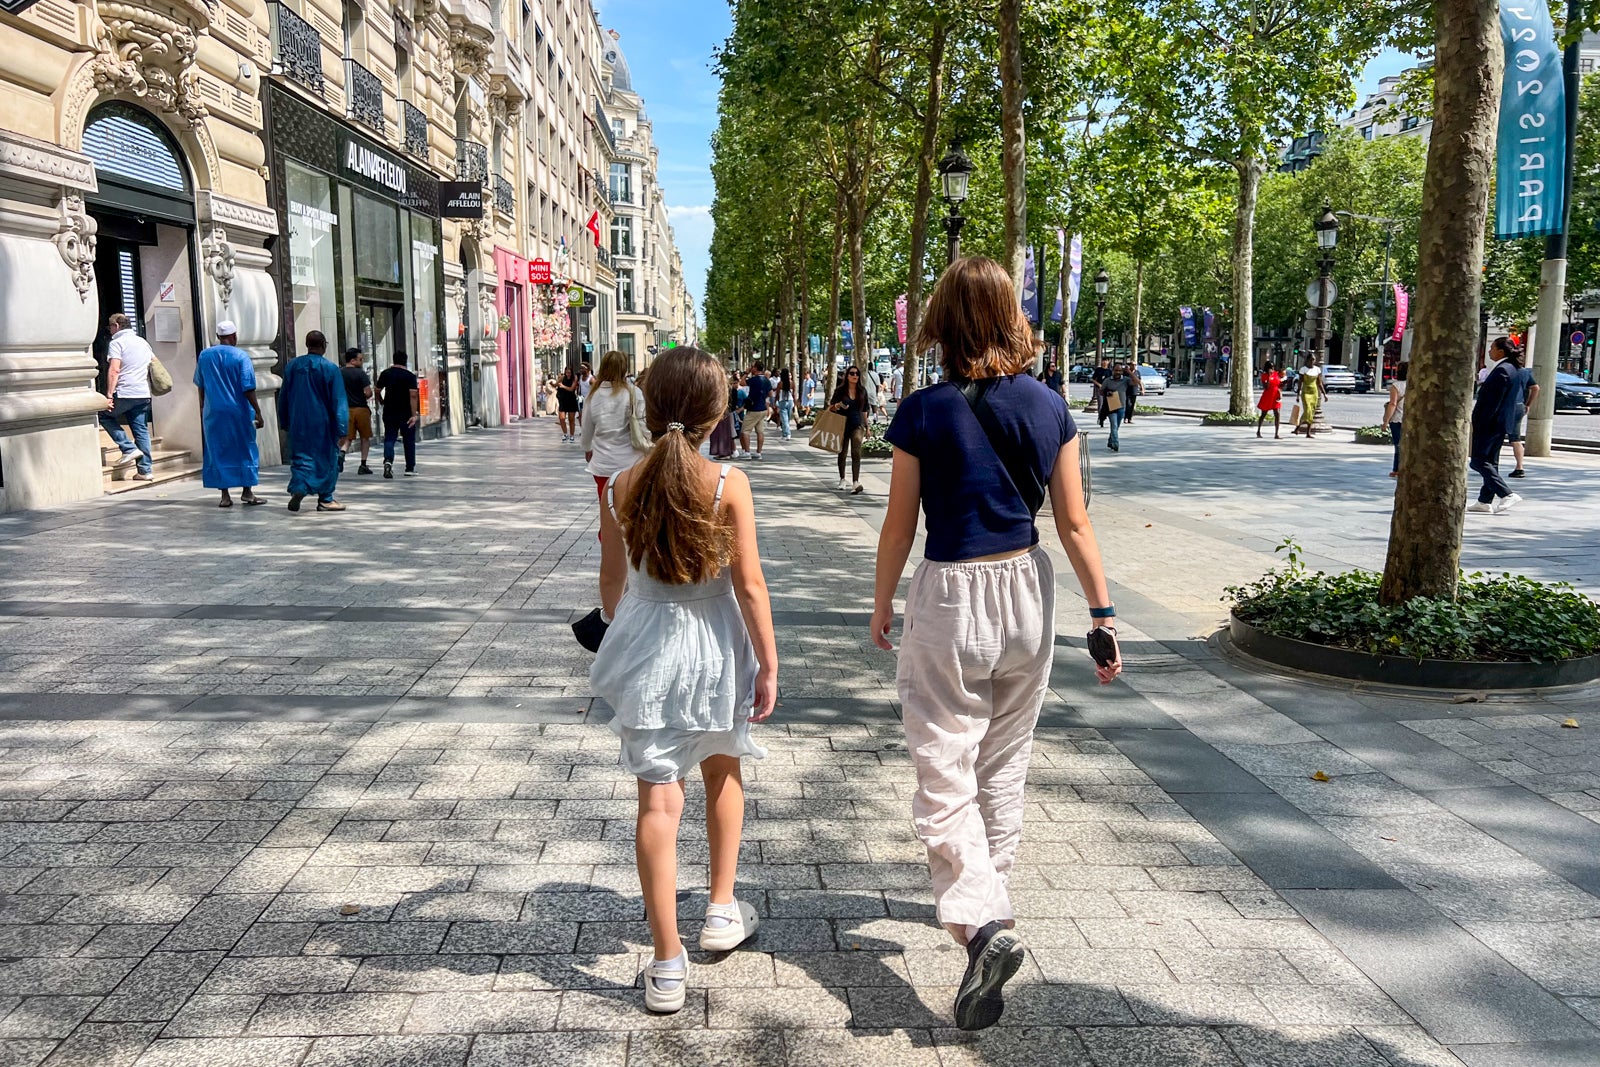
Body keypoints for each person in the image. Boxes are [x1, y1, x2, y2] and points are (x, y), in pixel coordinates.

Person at [870, 256, 1121, 1033]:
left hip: (949, 593)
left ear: (941, 321)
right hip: (1027, 590)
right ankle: (992, 905)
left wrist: (881, 602)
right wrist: (1104, 614)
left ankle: (981, 926)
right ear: (1012, 319)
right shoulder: (1050, 407)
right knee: (1003, 761)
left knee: (944, 761)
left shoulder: (921, 410)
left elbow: (900, 523)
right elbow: (1076, 524)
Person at [589, 347, 778, 1015]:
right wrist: (770, 660)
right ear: (717, 412)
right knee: (724, 771)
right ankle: (721, 910)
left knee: (657, 804)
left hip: (649, 643)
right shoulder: (728, 483)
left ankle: (667, 964)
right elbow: (750, 586)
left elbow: (612, 585)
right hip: (716, 644)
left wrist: (624, 625)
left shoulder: (620, 483)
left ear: (649, 402)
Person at [194, 320, 265, 507]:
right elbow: (248, 387)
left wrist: (202, 405)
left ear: (218, 337)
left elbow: (200, 384)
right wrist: (258, 412)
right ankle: (247, 492)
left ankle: (225, 496)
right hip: (238, 412)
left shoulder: (205, 356)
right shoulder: (241, 357)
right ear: (234, 336)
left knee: (218, 449)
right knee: (245, 448)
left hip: (214, 412)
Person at [277, 330, 347, 512]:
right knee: (328, 459)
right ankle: (326, 498)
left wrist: (284, 420)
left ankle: (299, 488)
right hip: (323, 424)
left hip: (298, 422)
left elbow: (283, 396)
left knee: (300, 458)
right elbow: (338, 400)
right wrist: (342, 427)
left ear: (307, 345)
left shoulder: (292, 366)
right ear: (323, 345)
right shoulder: (330, 369)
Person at [583, 349, 651, 515]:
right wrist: (650, 444)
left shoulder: (593, 396)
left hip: (603, 464)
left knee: (607, 511)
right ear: (624, 369)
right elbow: (643, 425)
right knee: (630, 512)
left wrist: (587, 448)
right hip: (630, 462)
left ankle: (606, 539)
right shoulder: (633, 393)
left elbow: (586, 429)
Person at [1469, 337, 1524, 514]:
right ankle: (1484, 500)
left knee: (1478, 461)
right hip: (1500, 423)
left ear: (1501, 351)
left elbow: (1492, 402)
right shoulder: (1512, 369)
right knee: (1491, 462)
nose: (1489, 351)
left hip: (1490, 423)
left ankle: (1506, 494)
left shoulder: (1502, 370)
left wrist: (1479, 421)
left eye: (1492, 348)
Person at [99, 313, 156, 480]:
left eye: (110, 327)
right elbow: (154, 364)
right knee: (141, 430)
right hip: (143, 393)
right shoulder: (143, 342)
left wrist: (109, 395)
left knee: (104, 415)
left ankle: (128, 448)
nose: (109, 330)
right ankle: (145, 471)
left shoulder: (117, 343)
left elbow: (114, 369)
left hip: (125, 392)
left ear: (116, 326)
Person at [376, 351, 421, 479]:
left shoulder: (386, 373)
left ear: (394, 360)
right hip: (405, 412)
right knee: (408, 440)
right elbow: (413, 395)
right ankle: (410, 467)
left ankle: (388, 461)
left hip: (389, 411)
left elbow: (377, 390)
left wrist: (381, 400)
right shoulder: (410, 376)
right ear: (405, 361)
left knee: (390, 437)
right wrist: (414, 414)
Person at [828, 365, 871, 493]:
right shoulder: (840, 391)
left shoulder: (862, 391)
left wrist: (867, 426)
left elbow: (864, 410)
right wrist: (837, 405)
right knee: (842, 452)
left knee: (856, 452)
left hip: (857, 424)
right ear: (847, 376)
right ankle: (842, 479)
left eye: (857, 374)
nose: (855, 376)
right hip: (842, 424)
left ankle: (855, 482)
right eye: (852, 373)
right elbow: (831, 407)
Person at [338, 348, 374, 476]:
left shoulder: (339, 373)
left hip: (345, 409)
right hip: (361, 409)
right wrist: (364, 396)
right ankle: (363, 464)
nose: (361, 361)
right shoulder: (360, 374)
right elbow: (368, 392)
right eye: (360, 359)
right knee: (365, 437)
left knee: (347, 437)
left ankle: (342, 453)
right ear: (353, 360)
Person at [1509, 358, 1540, 479]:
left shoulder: (1505, 370)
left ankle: (1489, 463)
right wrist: (1528, 404)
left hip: (1507, 407)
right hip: (1519, 406)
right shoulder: (1524, 372)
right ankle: (1519, 466)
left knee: (1495, 435)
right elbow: (1536, 388)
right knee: (1515, 438)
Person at [739, 363, 773, 459]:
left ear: (756, 369)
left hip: (753, 409)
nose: (751, 368)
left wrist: (746, 373)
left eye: (753, 367)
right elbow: (770, 394)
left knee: (745, 431)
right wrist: (762, 396)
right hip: (762, 408)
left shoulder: (754, 380)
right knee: (760, 431)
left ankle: (747, 452)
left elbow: (741, 383)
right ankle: (758, 452)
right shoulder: (766, 380)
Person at [1383, 362, 1407, 478]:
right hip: (1410, 419)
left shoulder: (1396, 386)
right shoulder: (1415, 385)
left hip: (1398, 419)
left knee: (1398, 445)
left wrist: (1386, 421)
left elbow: (1393, 404)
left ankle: (1397, 468)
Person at [1099, 364, 1131, 452]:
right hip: (1111, 407)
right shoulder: (1108, 380)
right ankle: (1116, 444)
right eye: (1116, 370)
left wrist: (1129, 372)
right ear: (1112, 371)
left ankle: (1110, 441)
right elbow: (1101, 391)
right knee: (1114, 425)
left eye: (1119, 371)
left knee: (1117, 426)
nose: (1117, 372)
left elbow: (1137, 382)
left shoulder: (1125, 380)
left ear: (1122, 371)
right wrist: (1107, 393)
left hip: (1121, 406)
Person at [1294, 356, 1323, 438]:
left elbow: (1319, 383)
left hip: (1314, 393)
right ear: (1307, 360)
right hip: (1305, 392)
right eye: (1310, 359)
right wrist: (1298, 394)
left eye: (1313, 359)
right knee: (1307, 411)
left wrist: (1324, 394)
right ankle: (1298, 427)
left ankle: (1307, 432)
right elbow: (1300, 382)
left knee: (1312, 411)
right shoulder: (1303, 369)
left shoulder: (1317, 369)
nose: (1312, 361)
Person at [1256, 360, 1283, 439]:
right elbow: (1266, 387)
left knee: (1277, 413)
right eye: (1271, 367)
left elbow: (1279, 384)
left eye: (1273, 366)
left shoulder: (1276, 374)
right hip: (1268, 396)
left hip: (1275, 396)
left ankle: (1276, 433)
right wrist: (1269, 376)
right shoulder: (1264, 375)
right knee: (1264, 414)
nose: (1272, 368)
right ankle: (1258, 431)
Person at [556, 368, 581, 441]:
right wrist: (555, 383)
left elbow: (571, 389)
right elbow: (556, 384)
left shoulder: (575, 378)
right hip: (563, 400)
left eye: (569, 373)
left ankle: (572, 435)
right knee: (561, 418)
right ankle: (565, 434)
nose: (568, 374)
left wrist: (563, 386)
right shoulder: (563, 377)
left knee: (571, 419)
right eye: (566, 372)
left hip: (571, 400)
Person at [774, 367, 796, 440]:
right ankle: (784, 434)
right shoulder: (792, 383)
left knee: (784, 419)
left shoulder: (780, 383)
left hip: (782, 401)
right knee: (787, 419)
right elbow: (794, 394)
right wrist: (795, 402)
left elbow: (777, 394)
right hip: (790, 401)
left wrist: (775, 401)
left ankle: (788, 433)